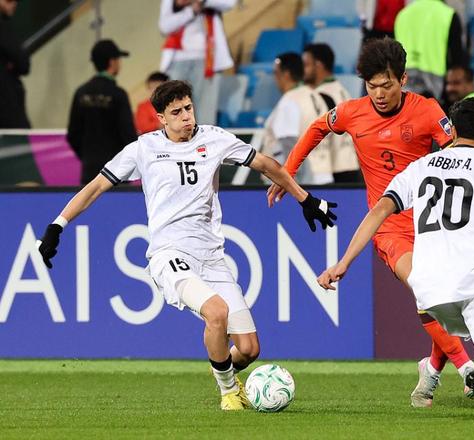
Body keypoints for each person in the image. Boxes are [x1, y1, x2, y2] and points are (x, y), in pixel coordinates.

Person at [36, 80, 337, 411]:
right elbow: (95, 187)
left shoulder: (215, 139)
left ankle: (221, 367)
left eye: (189, 108)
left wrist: (306, 199)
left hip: (213, 258)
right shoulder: (143, 149)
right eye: (176, 112)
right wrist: (57, 225)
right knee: (216, 312)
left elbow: (267, 164)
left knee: (249, 349)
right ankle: (228, 393)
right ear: (161, 118)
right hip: (170, 255)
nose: (186, 117)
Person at [318, 97, 474, 425]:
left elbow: (379, 212)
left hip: (428, 290)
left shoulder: (422, 166)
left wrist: (343, 262)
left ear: (453, 130)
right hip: (473, 280)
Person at [267, 37, 474, 408]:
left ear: (403, 80)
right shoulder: (352, 112)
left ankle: (430, 369)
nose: (378, 94)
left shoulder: (428, 111)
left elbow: (460, 155)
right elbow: (317, 127)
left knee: (441, 298)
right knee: (424, 287)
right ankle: (470, 371)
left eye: (386, 85)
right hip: (389, 227)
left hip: (432, 224)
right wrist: (288, 171)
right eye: (371, 85)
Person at [67, 39, 137, 185]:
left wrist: (88, 157)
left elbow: (73, 134)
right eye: (118, 59)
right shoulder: (118, 94)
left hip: (90, 171)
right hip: (117, 172)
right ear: (112, 62)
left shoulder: (81, 93)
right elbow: (128, 135)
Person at [159, 0, 236, 125]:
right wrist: (191, 11)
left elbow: (229, 3)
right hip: (178, 60)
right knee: (176, 111)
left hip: (207, 59)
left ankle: (204, 138)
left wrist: (202, 2)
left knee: (205, 114)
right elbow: (164, 26)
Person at [263, 52, 333, 185]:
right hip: (325, 174)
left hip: (305, 180)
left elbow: (289, 145)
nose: (275, 78)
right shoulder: (317, 96)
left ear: (286, 74)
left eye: (276, 73)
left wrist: (294, 185)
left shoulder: (289, 101)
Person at [302, 43, 361, 183]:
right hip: (351, 164)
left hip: (334, 170)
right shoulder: (343, 91)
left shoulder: (319, 96)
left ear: (318, 65)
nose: (302, 70)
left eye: (306, 65)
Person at [394, 0, 466, 99]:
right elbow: (456, 57)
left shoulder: (403, 14)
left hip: (406, 78)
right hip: (436, 82)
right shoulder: (447, 14)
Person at [0, 0, 31, 128]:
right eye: (8, 0)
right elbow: (23, 63)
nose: (14, 4)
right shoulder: (3, 26)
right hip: (7, 105)